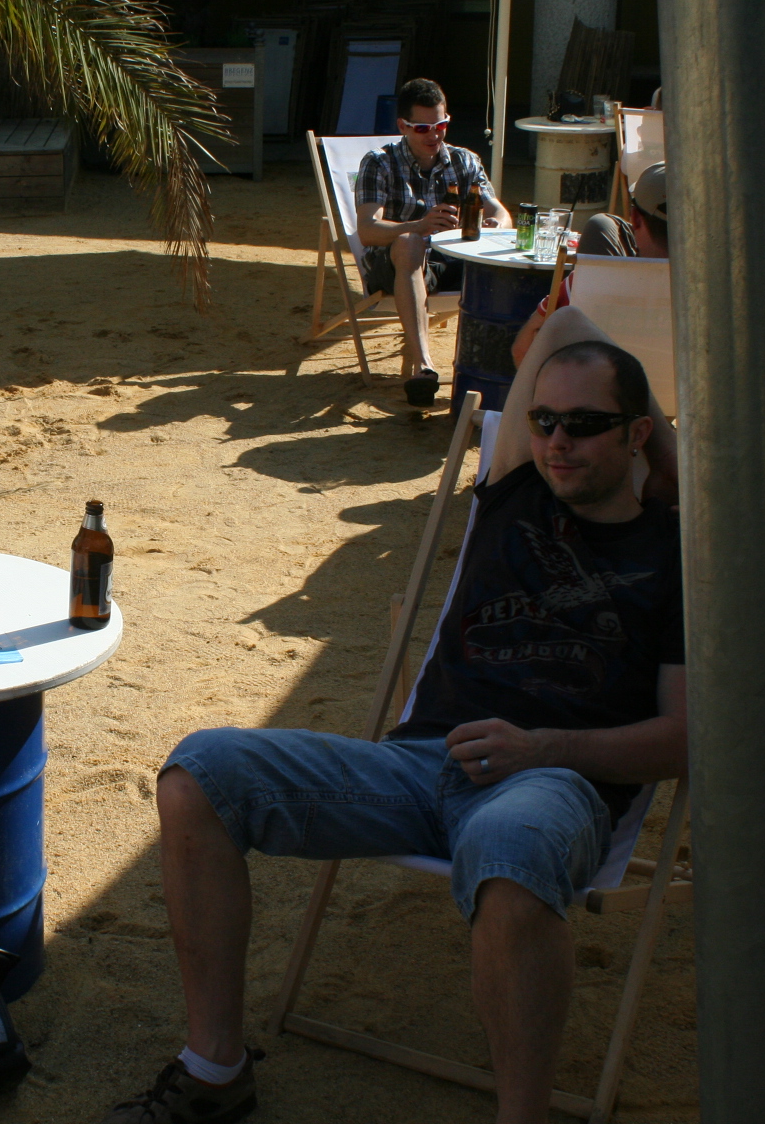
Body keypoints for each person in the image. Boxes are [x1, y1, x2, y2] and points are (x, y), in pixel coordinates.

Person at [99, 310, 684, 1124]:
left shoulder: (677, 557)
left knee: (511, 854)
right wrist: (665, 454)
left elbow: (682, 740)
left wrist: (544, 747)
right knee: (200, 775)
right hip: (417, 766)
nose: (557, 442)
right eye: (545, 420)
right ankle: (214, 1070)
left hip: (552, 782)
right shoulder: (515, 491)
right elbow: (563, 326)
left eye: (585, 426)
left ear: (633, 432)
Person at [355, 77, 511, 406]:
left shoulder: (464, 160)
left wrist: (495, 224)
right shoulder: (379, 162)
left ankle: (503, 368)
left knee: (505, 265)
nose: (434, 135)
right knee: (410, 242)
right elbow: (367, 230)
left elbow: (499, 210)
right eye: (423, 128)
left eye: (440, 125)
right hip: (395, 264)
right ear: (403, 126)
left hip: (451, 260)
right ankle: (424, 366)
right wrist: (420, 225)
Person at [511, 163, 669, 366]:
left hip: (606, 383)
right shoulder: (709, 290)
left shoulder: (593, 278)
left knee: (599, 225)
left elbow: (522, 352)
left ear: (635, 219)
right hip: (679, 384)